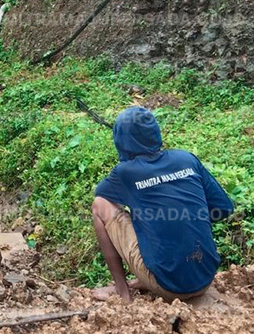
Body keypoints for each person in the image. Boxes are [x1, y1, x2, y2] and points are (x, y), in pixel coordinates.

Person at [91, 106, 233, 302]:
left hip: (167, 286)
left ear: (120, 139)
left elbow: (101, 195)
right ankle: (144, 280)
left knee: (99, 206)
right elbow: (224, 209)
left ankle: (122, 292)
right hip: (205, 278)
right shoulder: (186, 159)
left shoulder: (125, 173)